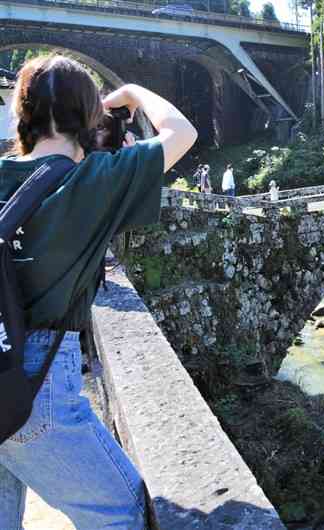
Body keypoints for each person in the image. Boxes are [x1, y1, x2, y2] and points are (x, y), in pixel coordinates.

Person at [0, 55, 197, 528]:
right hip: (36, 388)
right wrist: (128, 92)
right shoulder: (94, 180)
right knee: (121, 511)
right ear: (89, 118)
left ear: (20, 114)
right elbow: (182, 132)